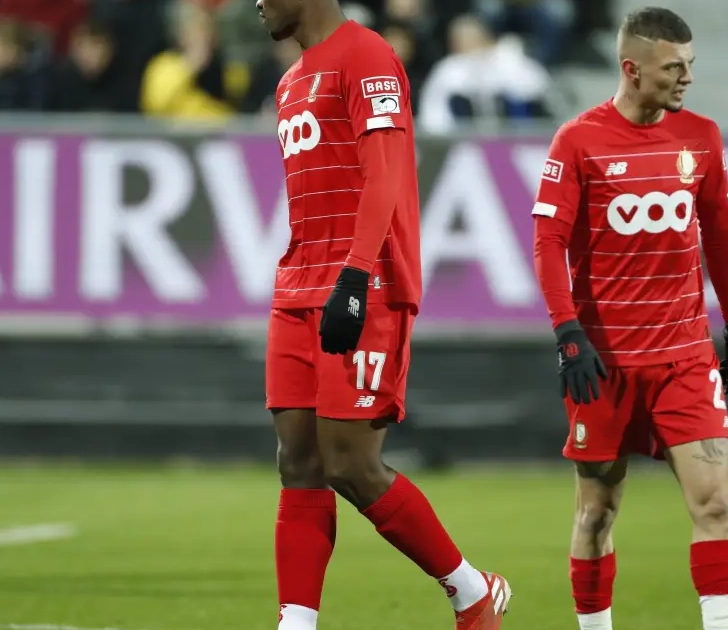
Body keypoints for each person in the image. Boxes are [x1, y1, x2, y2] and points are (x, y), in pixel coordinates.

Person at [255, 1, 511, 629]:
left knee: (351, 464)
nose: (256, 2)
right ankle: (296, 623)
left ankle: (471, 592)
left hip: (361, 284)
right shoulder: (290, 82)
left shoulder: (367, 55)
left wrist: (355, 276)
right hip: (297, 286)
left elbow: (386, 174)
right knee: (298, 462)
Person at [531, 8, 728, 630]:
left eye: (690, 66)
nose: (687, 78)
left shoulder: (701, 137)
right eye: (673, 67)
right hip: (606, 363)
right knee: (596, 512)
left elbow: (721, 234)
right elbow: (548, 243)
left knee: (715, 506)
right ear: (631, 69)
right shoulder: (578, 140)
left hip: (685, 358)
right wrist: (568, 334)